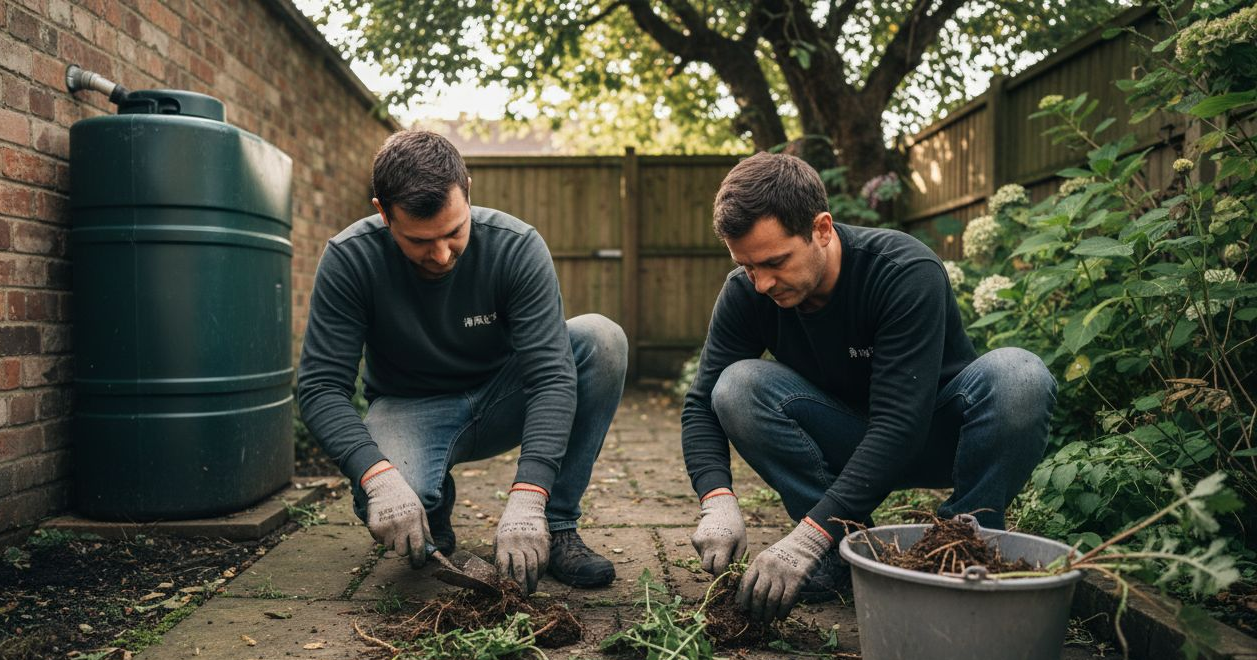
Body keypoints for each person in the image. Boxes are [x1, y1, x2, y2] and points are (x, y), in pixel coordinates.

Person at [682, 152, 1056, 622]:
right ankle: (838, 553)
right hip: (845, 440)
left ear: (821, 229)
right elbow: (700, 404)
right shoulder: (747, 293)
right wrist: (716, 499)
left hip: (938, 433)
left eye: (775, 261)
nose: (761, 283)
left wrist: (805, 537)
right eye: (748, 266)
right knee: (735, 387)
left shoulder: (902, 271)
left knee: (1020, 375)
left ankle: (964, 545)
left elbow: (900, 423)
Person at [297, 130, 627, 595]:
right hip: (411, 406)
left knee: (601, 339)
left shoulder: (515, 247)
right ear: (382, 212)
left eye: (454, 232)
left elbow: (552, 377)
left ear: (467, 190)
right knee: (382, 500)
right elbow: (320, 388)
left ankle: (556, 526)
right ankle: (430, 508)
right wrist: (378, 478)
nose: (441, 254)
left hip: (503, 396)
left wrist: (530, 493)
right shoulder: (351, 259)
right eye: (419, 240)